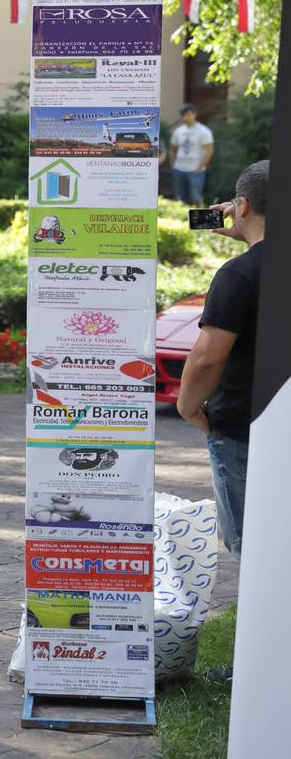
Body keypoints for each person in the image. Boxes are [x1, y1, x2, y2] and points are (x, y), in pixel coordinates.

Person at [177, 159, 268, 562]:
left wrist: (187, 406)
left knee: (250, 542)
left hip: (244, 427)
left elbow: (207, 359)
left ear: (242, 207)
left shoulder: (241, 274)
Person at [168, 103, 215, 206]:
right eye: (184, 115)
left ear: (195, 114)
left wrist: (200, 166)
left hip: (195, 170)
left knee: (195, 198)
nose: (187, 117)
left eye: (189, 114)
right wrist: (172, 164)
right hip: (179, 169)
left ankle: (196, 219)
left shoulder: (203, 131)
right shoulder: (178, 131)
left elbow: (209, 150)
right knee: (180, 198)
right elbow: (172, 149)